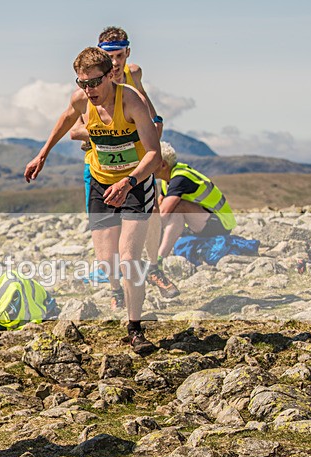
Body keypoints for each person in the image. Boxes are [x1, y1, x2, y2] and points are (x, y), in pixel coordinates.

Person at [25, 47, 161, 354]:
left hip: (134, 183)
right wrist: (42, 154)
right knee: (107, 262)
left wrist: (129, 182)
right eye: (82, 83)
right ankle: (121, 290)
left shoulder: (131, 101)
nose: (89, 89)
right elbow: (65, 118)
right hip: (102, 183)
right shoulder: (81, 100)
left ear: (111, 75)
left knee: (128, 259)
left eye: (95, 82)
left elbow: (153, 154)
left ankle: (135, 328)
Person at [70, 27, 180, 300]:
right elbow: (75, 130)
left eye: (119, 55)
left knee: (151, 211)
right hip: (100, 165)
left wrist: (149, 130)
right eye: (110, 57)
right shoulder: (90, 82)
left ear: (127, 53)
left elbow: (152, 116)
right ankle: (116, 288)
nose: (116, 63)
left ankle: (153, 268)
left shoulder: (134, 74)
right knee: (109, 230)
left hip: (138, 161)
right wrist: (111, 134)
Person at [157, 141, 237, 258]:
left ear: (163, 165)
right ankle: (156, 257)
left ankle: (158, 259)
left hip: (221, 223)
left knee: (178, 207)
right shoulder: (167, 179)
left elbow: (163, 213)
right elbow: (160, 206)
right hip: (205, 220)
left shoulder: (180, 178)